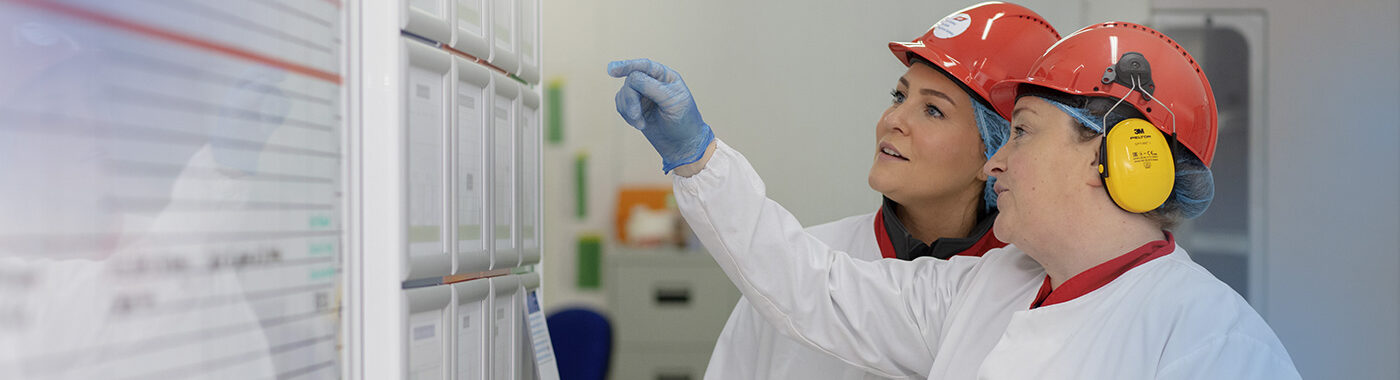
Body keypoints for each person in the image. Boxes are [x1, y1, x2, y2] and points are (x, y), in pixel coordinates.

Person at [607, 21, 1301, 379]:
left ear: (1119, 159)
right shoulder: (987, 286)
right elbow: (811, 284)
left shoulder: (1214, 343)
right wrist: (697, 156)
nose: (996, 161)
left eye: (1021, 134)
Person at [671, 3, 1061, 379]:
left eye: (933, 110)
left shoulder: (1030, 294)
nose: (894, 120)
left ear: (997, 153)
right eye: (899, 96)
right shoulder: (787, 270)